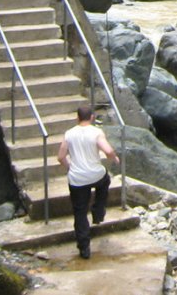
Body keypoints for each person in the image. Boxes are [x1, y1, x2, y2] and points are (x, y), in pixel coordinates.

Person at [57, 105, 120, 259]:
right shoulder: (96, 132)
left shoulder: (69, 134)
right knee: (105, 182)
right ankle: (98, 210)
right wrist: (114, 158)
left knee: (79, 212)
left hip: (77, 179)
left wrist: (70, 167)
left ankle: (84, 248)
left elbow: (60, 157)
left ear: (77, 118)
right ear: (92, 117)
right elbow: (108, 150)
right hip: (95, 174)